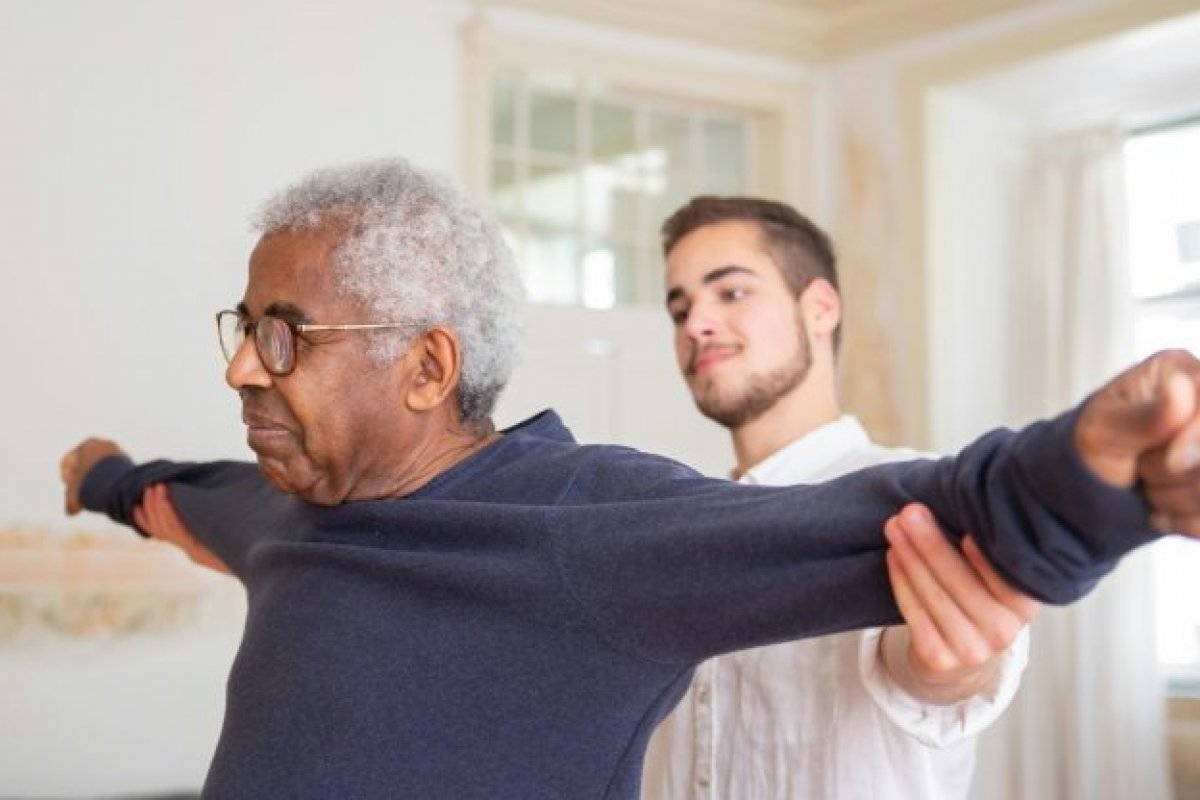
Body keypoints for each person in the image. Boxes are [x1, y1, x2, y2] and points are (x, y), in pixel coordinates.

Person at [59, 157, 1200, 800]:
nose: (238, 366)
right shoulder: (278, 510)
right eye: (244, 327)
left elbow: (893, 519)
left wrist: (1106, 475)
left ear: (426, 366)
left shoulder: (586, 522)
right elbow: (184, 495)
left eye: (283, 333)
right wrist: (107, 474)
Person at [644, 197, 1038, 799]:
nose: (695, 323)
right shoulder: (674, 530)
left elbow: (940, 674)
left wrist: (952, 666)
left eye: (731, 293)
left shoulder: (916, 495)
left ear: (821, 308)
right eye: (680, 308)